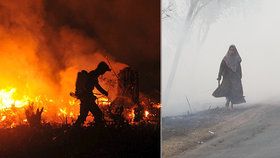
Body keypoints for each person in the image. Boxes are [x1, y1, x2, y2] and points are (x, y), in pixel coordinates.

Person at [74, 61, 111, 127]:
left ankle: (75, 130)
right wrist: (104, 92)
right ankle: (97, 130)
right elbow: (95, 86)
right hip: (87, 99)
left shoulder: (93, 74)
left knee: (83, 116)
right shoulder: (93, 75)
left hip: (86, 98)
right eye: (104, 70)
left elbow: (94, 86)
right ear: (101, 70)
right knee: (98, 114)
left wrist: (104, 92)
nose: (104, 72)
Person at [212, 45, 246, 110]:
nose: (232, 51)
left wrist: (240, 76)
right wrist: (219, 77)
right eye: (230, 50)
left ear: (235, 51)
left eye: (233, 50)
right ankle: (228, 102)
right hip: (227, 77)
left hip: (235, 77)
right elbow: (221, 68)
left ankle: (232, 104)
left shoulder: (237, 59)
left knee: (234, 91)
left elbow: (239, 68)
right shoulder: (225, 59)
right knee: (227, 90)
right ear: (228, 50)